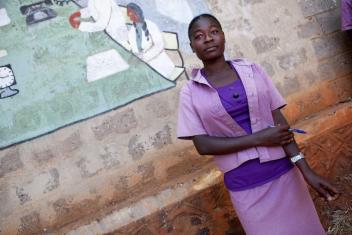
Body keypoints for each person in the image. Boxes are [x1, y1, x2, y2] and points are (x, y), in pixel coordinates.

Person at [177, 14, 339, 235]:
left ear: (223, 36)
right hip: (245, 185)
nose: (208, 39)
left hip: (285, 174)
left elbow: (280, 123)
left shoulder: (252, 70)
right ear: (192, 47)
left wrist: (306, 170)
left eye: (214, 32)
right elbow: (203, 145)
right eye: (199, 36)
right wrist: (258, 139)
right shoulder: (190, 91)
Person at [126, 3, 175, 79]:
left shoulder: (151, 25)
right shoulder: (131, 31)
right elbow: (134, 50)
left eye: (133, 14)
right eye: (129, 15)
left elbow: (159, 45)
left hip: (158, 62)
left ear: (139, 12)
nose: (132, 17)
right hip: (142, 63)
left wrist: (145, 58)